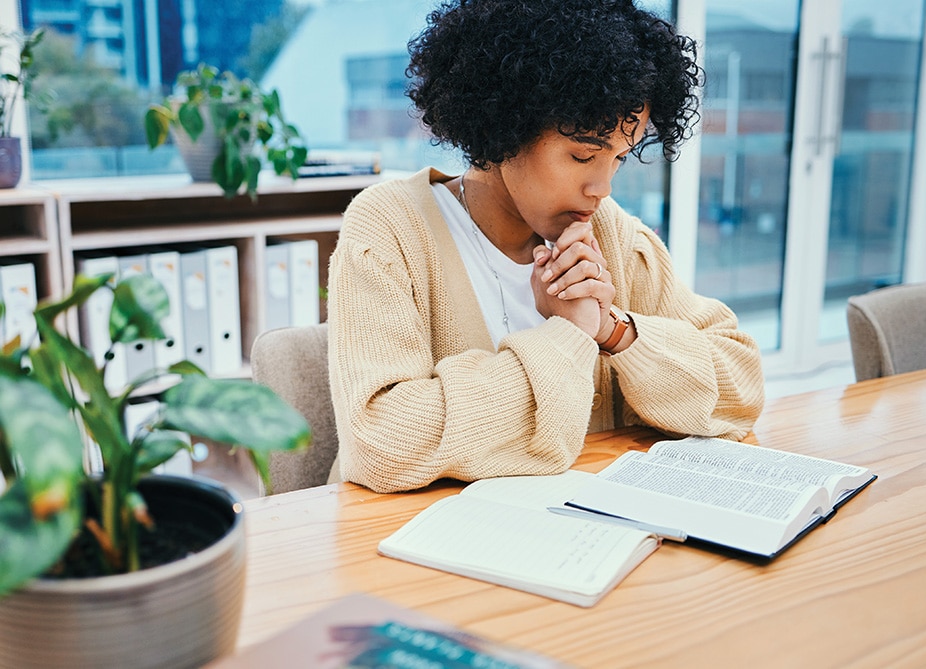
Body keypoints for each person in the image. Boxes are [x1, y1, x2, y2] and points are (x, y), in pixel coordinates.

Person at [328, 0, 765, 493]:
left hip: (592, 534)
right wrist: (568, 336)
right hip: (426, 545)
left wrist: (611, 329)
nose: (602, 187)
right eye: (583, 155)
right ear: (505, 126)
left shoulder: (612, 233)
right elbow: (381, 443)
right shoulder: (390, 228)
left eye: (619, 158)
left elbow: (741, 386)